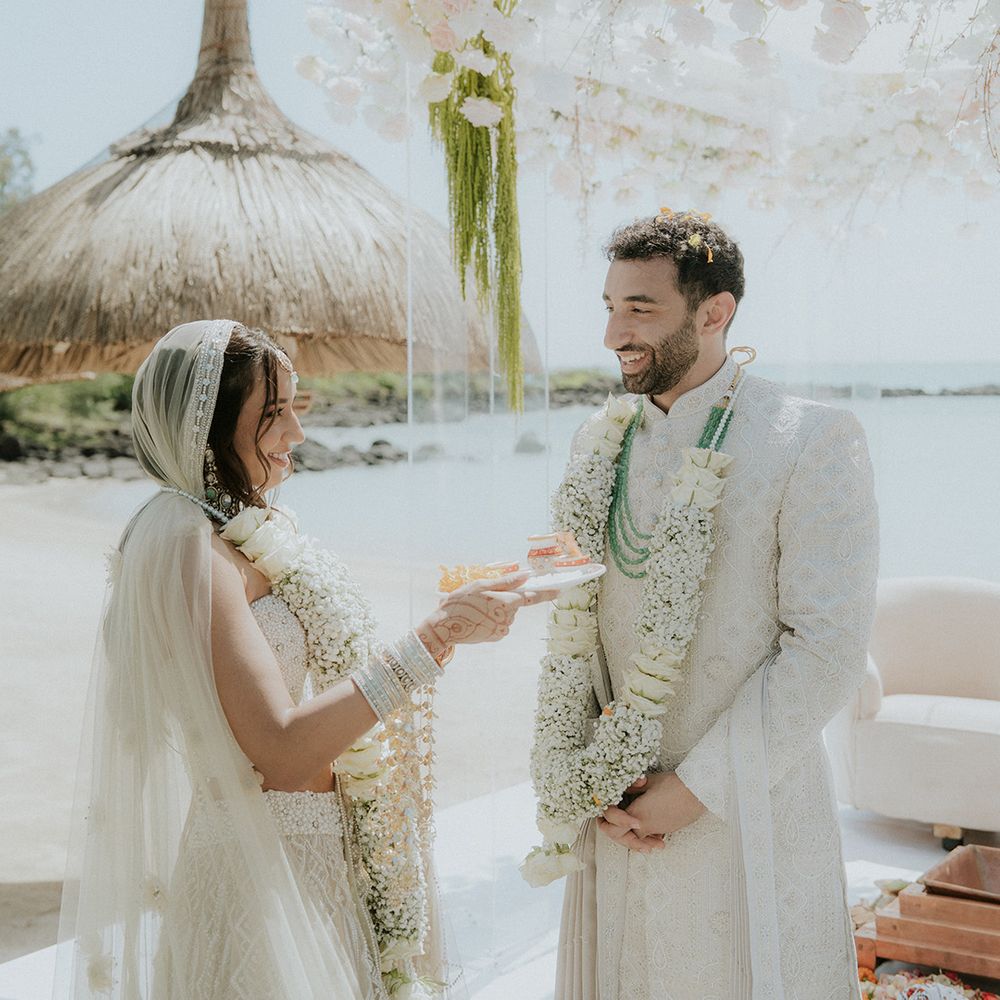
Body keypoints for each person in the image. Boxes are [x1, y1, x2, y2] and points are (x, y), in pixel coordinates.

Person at [54, 319, 552, 999]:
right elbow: (280, 753)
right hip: (259, 881)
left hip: (322, 859)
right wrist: (432, 639)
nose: (298, 432)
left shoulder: (242, 535)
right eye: (275, 412)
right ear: (209, 426)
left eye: (296, 407)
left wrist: (455, 624)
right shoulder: (184, 545)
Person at [532, 212, 879, 999]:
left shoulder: (811, 438)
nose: (614, 334)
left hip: (745, 808)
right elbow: (582, 616)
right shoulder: (597, 441)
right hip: (615, 811)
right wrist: (586, 779)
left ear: (715, 312)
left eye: (640, 309)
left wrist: (695, 791)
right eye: (609, 306)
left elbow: (828, 647)